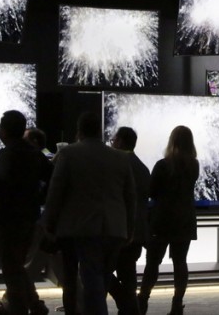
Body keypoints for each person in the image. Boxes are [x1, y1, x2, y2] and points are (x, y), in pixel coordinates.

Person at [44, 112, 135, 315]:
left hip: (80, 229)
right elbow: (130, 197)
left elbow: (55, 193)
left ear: (79, 131)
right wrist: (130, 229)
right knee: (101, 280)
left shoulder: (69, 154)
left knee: (83, 282)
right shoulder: (120, 157)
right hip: (114, 230)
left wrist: (48, 225)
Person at [0, 128, 57, 315]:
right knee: (21, 268)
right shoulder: (41, 158)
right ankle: (32, 305)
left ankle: (19, 306)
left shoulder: (14, 155)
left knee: (16, 268)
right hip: (34, 219)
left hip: (23, 221)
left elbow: (0, 185)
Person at [137, 126, 200, 315]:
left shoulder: (162, 165)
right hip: (185, 219)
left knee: (153, 262)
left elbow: (151, 191)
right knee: (180, 262)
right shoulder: (194, 165)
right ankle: (177, 304)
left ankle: (143, 300)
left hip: (162, 220)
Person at [109, 127, 151, 315]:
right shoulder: (142, 167)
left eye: (114, 138)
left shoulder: (115, 164)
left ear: (120, 141)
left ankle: (126, 305)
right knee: (129, 277)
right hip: (138, 230)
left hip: (117, 229)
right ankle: (129, 308)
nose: (111, 141)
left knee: (101, 271)